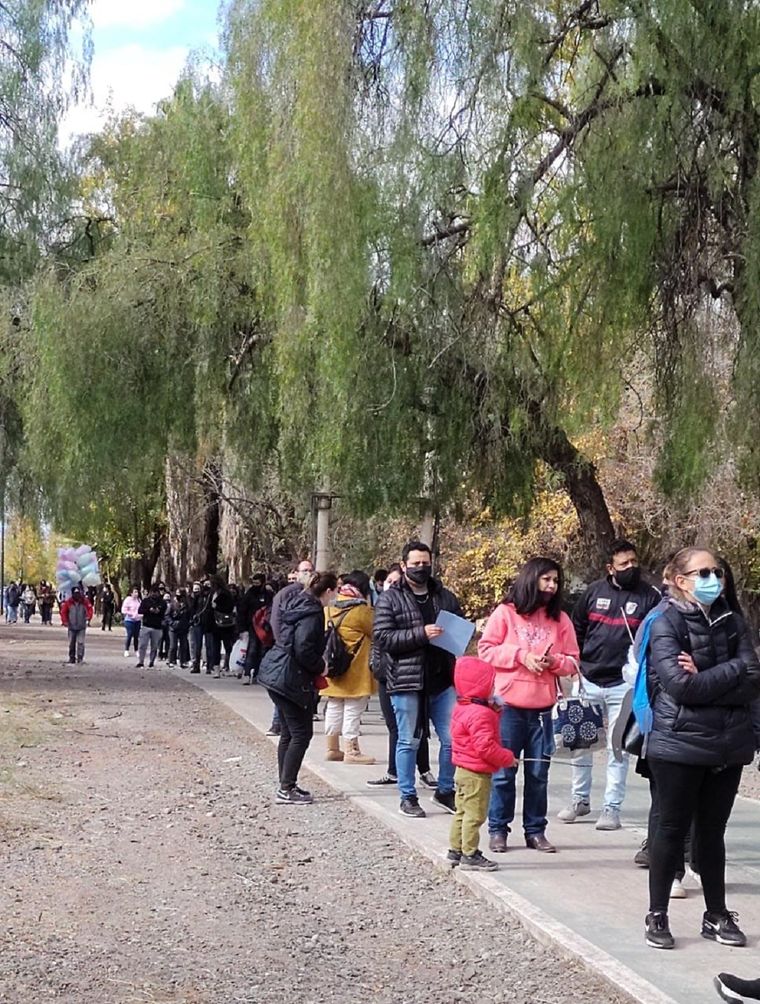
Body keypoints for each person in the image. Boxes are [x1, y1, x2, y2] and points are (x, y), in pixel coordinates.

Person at [642, 546, 760, 951]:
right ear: (679, 579)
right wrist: (732, 675)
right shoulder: (664, 623)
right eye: (703, 572)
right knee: (670, 830)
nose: (713, 579)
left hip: (728, 744)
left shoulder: (733, 622)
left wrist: (711, 673)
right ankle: (657, 913)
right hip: (679, 743)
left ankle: (717, 913)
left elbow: (754, 677)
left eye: (717, 572)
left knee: (712, 833)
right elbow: (680, 686)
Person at [478, 557, 579, 854]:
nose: (551, 586)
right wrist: (521, 656)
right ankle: (498, 829)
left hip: (544, 709)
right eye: (546, 579)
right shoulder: (505, 613)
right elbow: (485, 650)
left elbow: (574, 660)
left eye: (556, 581)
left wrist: (554, 662)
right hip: (507, 706)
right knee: (504, 773)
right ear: (531, 579)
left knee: (538, 775)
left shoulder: (561, 619)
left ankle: (535, 831)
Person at [558, 538, 660, 830]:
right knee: (580, 744)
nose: (631, 568)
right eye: (624, 564)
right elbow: (576, 629)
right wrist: (574, 667)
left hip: (622, 684)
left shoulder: (649, 596)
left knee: (618, 748)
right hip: (587, 678)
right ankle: (579, 799)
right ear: (610, 568)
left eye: (634, 562)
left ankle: (611, 808)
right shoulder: (593, 591)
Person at [373, 540, 463, 818]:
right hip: (406, 680)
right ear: (404, 566)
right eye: (416, 564)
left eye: (426, 563)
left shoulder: (444, 596)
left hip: (441, 679)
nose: (422, 568)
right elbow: (383, 637)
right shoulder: (390, 598)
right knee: (408, 740)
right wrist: (420, 634)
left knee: (452, 739)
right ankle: (407, 795)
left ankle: (445, 790)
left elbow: (458, 625)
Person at [258, 571, 338, 804]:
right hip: (289, 677)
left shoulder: (297, 605)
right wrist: (321, 666)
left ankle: (286, 783)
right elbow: (303, 648)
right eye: (335, 591)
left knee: (289, 732)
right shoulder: (313, 613)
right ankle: (286, 787)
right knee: (302, 733)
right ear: (329, 591)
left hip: (276, 672)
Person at [368, 563, 437, 788]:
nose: (392, 585)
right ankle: (395, 772)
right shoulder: (385, 605)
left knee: (416, 727)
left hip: (412, 673)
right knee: (397, 728)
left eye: (395, 581)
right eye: (389, 581)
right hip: (386, 673)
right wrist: (376, 667)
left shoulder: (417, 604)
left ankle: (423, 770)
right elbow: (380, 640)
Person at [447, 656, 517, 871]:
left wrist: (494, 710)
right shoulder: (481, 714)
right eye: (491, 683)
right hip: (476, 774)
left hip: (462, 770)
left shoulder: (463, 707)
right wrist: (507, 758)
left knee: (461, 812)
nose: (493, 687)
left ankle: (455, 850)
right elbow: (485, 747)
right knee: (475, 815)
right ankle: (470, 854)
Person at [322, 570, 376, 764]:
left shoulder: (328, 607)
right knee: (353, 709)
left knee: (334, 706)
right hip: (355, 670)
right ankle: (351, 751)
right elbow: (376, 631)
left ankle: (332, 748)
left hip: (334, 667)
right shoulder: (361, 611)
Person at [209, 577, 237, 677]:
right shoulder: (212, 594)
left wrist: (216, 606)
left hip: (225, 624)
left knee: (227, 646)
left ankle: (228, 666)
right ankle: (216, 668)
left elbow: (229, 607)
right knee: (215, 647)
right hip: (215, 624)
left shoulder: (226, 594)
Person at [60, 586, 93, 664]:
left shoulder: (85, 602)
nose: (77, 595)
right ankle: (72, 658)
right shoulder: (68, 602)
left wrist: (88, 617)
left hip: (81, 626)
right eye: (75, 593)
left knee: (81, 642)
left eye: (78, 593)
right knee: (71, 643)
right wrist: (65, 621)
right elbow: (63, 612)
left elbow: (90, 609)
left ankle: (80, 658)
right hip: (71, 626)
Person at [136, 583, 167, 669]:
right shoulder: (146, 601)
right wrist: (149, 610)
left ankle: (151, 662)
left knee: (154, 646)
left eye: (156, 592)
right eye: (153, 592)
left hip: (157, 627)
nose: (154, 594)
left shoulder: (163, 602)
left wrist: (158, 611)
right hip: (146, 626)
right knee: (142, 645)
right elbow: (140, 611)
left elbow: (164, 612)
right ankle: (141, 661)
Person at [167, 589, 191, 667]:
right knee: (173, 645)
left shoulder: (187, 605)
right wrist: (172, 623)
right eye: (177, 594)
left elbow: (189, 615)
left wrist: (187, 624)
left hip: (183, 627)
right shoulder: (172, 604)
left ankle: (183, 661)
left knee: (183, 645)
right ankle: (171, 661)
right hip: (173, 628)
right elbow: (167, 615)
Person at [188, 581, 206, 673]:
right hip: (193, 623)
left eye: (198, 589)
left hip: (201, 623)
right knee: (193, 645)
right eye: (195, 590)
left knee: (200, 645)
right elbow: (190, 609)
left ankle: (202, 663)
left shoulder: (203, 598)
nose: (196, 592)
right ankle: (195, 664)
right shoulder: (190, 598)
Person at [121, 587, 142, 656]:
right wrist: (130, 613)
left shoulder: (139, 600)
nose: (136, 594)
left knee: (136, 636)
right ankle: (126, 650)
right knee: (129, 634)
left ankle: (136, 650)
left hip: (137, 620)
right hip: (129, 620)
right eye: (135, 592)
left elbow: (141, 609)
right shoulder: (128, 600)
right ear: (131, 593)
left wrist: (140, 615)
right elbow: (123, 610)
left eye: (137, 592)